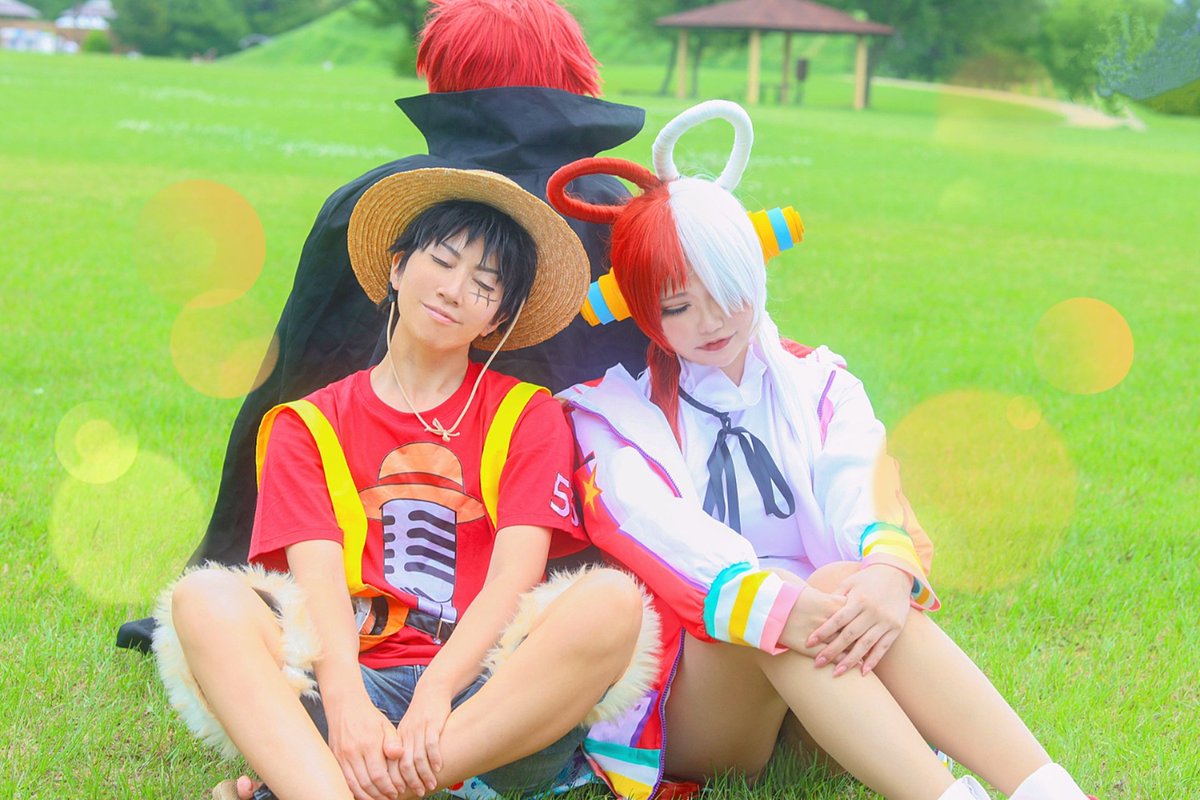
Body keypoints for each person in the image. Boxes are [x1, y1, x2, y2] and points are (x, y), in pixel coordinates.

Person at [548, 101, 1096, 800]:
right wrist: (777, 604)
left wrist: (887, 574)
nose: (710, 321)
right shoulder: (613, 416)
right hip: (706, 706)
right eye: (677, 306)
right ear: (644, 312)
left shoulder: (821, 383)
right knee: (778, 607)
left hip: (828, 690)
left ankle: (1051, 791)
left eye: (725, 290)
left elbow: (858, 484)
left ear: (755, 270)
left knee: (845, 579)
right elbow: (661, 533)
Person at [152, 169, 658, 800]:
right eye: (441, 261)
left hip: (485, 706)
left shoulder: (528, 415)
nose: (453, 290)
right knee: (202, 598)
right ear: (397, 267)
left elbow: (514, 579)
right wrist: (347, 711)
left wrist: (438, 692)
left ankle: (328, 786)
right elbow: (318, 587)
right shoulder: (306, 425)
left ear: (498, 318)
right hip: (348, 690)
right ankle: (350, 781)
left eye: (484, 285)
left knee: (614, 602)